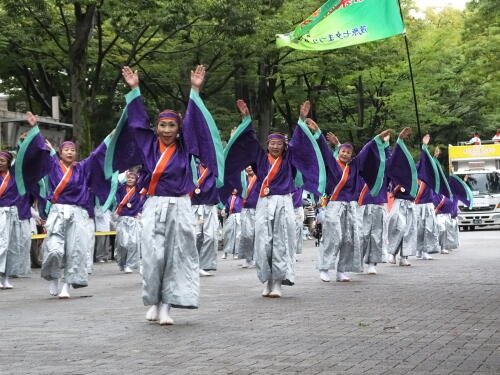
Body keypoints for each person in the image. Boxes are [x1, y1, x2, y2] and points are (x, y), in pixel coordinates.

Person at [115, 65, 224, 324]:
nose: (166, 129)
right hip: (153, 205)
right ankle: (154, 298)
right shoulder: (148, 144)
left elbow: (194, 122)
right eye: (162, 125)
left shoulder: (186, 146)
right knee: (154, 256)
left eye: (171, 125)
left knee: (176, 255)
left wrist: (195, 89)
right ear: (157, 127)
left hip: (180, 205)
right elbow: (138, 122)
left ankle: (167, 306)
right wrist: (134, 89)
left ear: (178, 128)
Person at [223, 100, 325, 298]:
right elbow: (250, 141)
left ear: (284, 146)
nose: (276, 147)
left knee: (281, 241)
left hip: (284, 201)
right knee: (263, 242)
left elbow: (299, 141)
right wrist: (246, 119)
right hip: (264, 202)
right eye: (272, 143)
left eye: (279, 144)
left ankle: (278, 281)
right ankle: (267, 280)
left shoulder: (289, 159)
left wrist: (301, 119)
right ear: (267, 145)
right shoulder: (260, 158)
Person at [313, 124, 391, 282]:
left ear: (351, 155)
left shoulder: (355, 166)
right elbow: (324, 149)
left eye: (348, 152)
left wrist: (377, 139)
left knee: (349, 238)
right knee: (333, 237)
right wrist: (318, 132)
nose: (345, 154)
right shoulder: (332, 163)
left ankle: (342, 270)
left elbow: (366, 151)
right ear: (338, 152)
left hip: (352, 206)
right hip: (334, 204)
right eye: (343, 151)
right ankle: (324, 268)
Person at [0, 117, 48, 289]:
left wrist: (24, 142)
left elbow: (23, 160)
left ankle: (5, 277)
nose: (0, 162)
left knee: (10, 246)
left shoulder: (15, 176)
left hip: (12, 214)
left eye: (3, 160)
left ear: (8, 163)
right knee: (1, 245)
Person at [385, 128, 419, 266]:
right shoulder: (394, 169)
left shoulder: (411, 172)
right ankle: (392, 252)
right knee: (399, 227)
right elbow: (389, 159)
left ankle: (404, 256)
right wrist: (399, 140)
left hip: (410, 203)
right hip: (399, 202)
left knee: (409, 230)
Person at [414, 135, 441, 260]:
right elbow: (424, 161)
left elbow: (432, 164)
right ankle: (418, 250)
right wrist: (424, 146)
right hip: (417, 204)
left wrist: (434, 156)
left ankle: (426, 250)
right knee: (418, 229)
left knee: (428, 227)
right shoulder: (417, 170)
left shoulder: (429, 173)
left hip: (428, 203)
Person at [191, 160, 219, 276]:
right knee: (195, 236)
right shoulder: (192, 166)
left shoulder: (215, 168)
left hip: (209, 206)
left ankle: (205, 265)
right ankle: (193, 265)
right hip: (194, 207)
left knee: (211, 236)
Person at [114, 170, 145, 273]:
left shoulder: (138, 190)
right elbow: (115, 181)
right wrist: (122, 172)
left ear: (136, 180)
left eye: (132, 178)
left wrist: (139, 212)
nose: (130, 179)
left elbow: (143, 182)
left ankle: (129, 265)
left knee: (134, 242)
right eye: (128, 178)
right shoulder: (120, 189)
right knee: (122, 243)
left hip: (134, 218)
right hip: (122, 218)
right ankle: (122, 262)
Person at [237, 166, 260, 268]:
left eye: (251, 165)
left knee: (257, 234)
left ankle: (256, 258)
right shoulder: (242, 178)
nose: (249, 167)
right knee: (247, 235)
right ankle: (248, 258)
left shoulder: (260, 177)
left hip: (258, 209)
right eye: (247, 165)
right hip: (245, 209)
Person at [222, 189, 242, 260]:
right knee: (227, 234)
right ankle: (225, 252)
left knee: (237, 235)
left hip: (239, 216)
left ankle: (236, 253)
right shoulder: (228, 197)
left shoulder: (240, 196)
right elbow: (226, 207)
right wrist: (224, 210)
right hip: (231, 215)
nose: (234, 190)